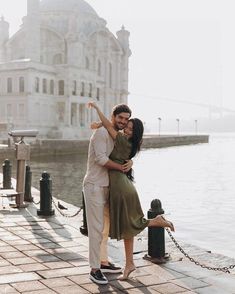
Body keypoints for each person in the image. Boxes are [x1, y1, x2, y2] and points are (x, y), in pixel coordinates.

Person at [88, 102, 175, 280]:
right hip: (111, 185)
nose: (125, 126)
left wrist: (98, 111)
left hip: (119, 186)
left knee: (125, 225)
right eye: (123, 121)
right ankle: (119, 264)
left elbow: (108, 155)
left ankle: (153, 223)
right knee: (117, 226)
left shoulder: (120, 138)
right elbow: (105, 151)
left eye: (128, 123)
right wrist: (100, 123)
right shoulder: (120, 138)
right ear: (115, 118)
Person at [83, 103, 133, 285]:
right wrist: (121, 168)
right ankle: (94, 269)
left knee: (104, 229)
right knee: (96, 230)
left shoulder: (115, 135)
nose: (123, 121)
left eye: (126, 119)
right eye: (120, 117)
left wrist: (130, 163)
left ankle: (103, 262)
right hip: (94, 185)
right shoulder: (101, 133)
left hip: (108, 187)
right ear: (113, 116)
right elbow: (100, 158)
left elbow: (123, 153)